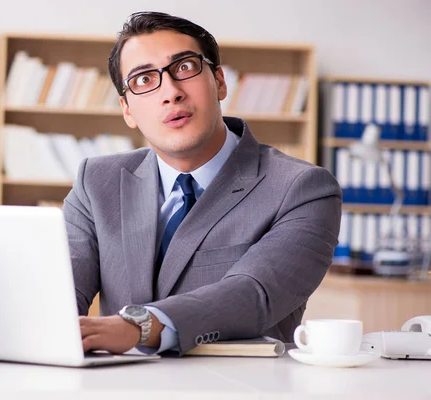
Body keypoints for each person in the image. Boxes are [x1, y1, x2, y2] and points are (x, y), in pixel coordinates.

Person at [62, 11, 341, 356]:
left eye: (184, 68)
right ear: (127, 110)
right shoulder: (96, 182)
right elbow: (58, 293)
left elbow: (254, 293)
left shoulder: (303, 189)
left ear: (220, 81)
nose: (171, 93)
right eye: (144, 80)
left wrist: (139, 327)